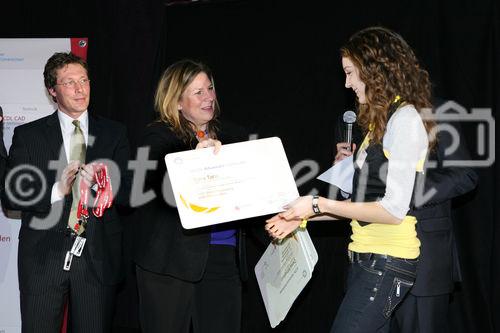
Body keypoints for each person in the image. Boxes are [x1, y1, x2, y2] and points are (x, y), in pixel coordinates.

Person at [266, 26, 436, 332]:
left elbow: (393, 211)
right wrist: (301, 217)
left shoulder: (405, 120)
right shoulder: (379, 126)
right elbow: (357, 205)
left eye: (350, 72)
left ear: (372, 70)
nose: (346, 83)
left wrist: (315, 205)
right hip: (364, 259)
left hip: (387, 262)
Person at [2, 52, 131, 332]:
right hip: (42, 258)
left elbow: (130, 192)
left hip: (97, 256)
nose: (80, 88)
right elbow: (11, 195)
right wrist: (56, 190)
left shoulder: (114, 133)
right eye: (69, 82)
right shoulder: (29, 135)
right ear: (52, 90)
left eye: (84, 80)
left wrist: (102, 184)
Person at [335, 100, 478, 332]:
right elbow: (368, 188)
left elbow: (465, 175)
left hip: (425, 260)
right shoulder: (374, 118)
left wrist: (403, 190)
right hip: (372, 261)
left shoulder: (433, 112)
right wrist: (346, 173)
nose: (350, 84)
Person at [133, 59, 248, 333]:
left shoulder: (234, 136)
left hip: (223, 258)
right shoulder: (156, 137)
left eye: (210, 89)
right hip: (169, 264)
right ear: (177, 102)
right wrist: (192, 162)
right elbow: (139, 189)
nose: (209, 97)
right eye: (199, 92)